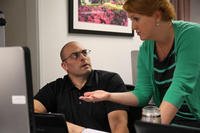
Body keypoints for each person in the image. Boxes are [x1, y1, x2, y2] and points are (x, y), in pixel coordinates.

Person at [80, 0, 200, 128]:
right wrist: (108, 96)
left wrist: (155, 130)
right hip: (171, 122)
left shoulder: (192, 34)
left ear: (157, 16)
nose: (133, 27)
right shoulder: (146, 48)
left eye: (136, 19)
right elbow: (142, 94)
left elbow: (180, 86)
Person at [34, 41, 129, 133]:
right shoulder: (55, 88)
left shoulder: (110, 80)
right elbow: (31, 112)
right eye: (75, 55)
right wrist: (71, 128)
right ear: (65, 66)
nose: (83, 58)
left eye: (84, 53)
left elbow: (118, 125)